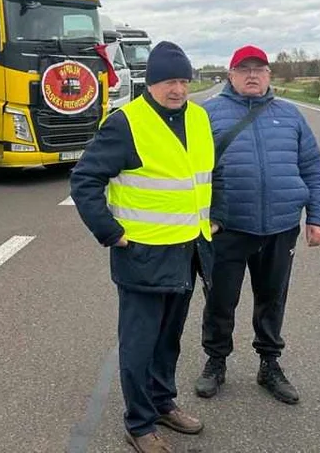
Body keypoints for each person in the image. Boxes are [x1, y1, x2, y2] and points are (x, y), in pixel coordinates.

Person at [71, 41, 215, 453]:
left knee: (169, 338)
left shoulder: (199, 119)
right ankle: (139, 423)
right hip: (141, 254)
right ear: (151, 82)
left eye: (184, 81)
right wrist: (110, 232)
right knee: (139, 343)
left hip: (187, 249)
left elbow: (205, 175)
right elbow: (85, 180)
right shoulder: (126, 123)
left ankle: (162, 402)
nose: (178, 89)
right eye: (170, 81)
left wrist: (212, 219)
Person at [194, 44, 320, 405]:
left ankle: (269, 364)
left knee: (272, 299)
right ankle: (216, 361)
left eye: (260, 69)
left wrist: (317, 217)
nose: (252, 75)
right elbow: (191, 173)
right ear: (231, 75)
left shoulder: (290, 115)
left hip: (280, 226)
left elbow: (312, 168)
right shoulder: (207, 115)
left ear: (269, 75)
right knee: (220, 299)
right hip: (228, 228)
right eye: (244, 69)